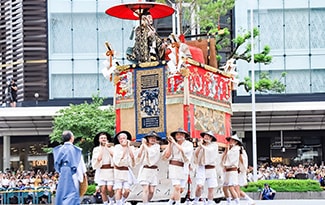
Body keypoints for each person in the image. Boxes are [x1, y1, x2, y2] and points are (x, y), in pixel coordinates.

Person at [53, 130, 87, 205]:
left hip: (62, 173)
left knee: (62, 193)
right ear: (72, 138)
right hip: (73, 173)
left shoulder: (58, 149)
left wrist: (61, 171)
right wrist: (82, 176)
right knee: (73, 193)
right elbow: (79, 164)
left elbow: (56, 165)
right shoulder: (76, 150)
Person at [162, 128, 193, 205]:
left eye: (181, 134)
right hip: (174, 167)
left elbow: (183, 150)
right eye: (177, 134)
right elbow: (167, 155)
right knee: (177, 187)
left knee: (181, 189)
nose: (179, 136)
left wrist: (174, 143)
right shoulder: (172, 144)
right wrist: (169, 143)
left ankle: (170, 202)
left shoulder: (189, 144)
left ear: (185, 136)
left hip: (184, 167)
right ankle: (178, 203)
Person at [192, 131, 219, 205]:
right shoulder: (201, 145)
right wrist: (200, 146)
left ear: (211, 138)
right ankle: (196, 200)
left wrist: (203, 146)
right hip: (201, 168)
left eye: (208, 136)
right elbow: (195, 155)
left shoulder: (214, 145)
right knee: (199, 186)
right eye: (205, 136)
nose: (206, 137)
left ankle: (210, 202)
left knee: (211, 187)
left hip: (211, 168)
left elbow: (210, 151)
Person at [136, 131, 161, 205]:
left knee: (152, 191)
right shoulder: (144, 145)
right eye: (151, 138)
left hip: (153, 170)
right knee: (145, 189)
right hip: (145, 170)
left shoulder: (156, 146)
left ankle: (146, 202)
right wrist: (142, 146)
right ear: (147, 139)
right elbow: (138, 155)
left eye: (154, 138)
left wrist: (144, 145)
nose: (153, 139)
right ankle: (145, 203)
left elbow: (152, 153)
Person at [112, 130, 136, 205]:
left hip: (126, 171)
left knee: (127, 190)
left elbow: (133, 158)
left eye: (124, 138)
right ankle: (118, 203)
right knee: (118, 189)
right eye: (121, 139)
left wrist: (128, 146)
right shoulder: (117, 147)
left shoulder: (131, 147)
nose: (122, 140)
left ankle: (122, 201)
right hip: (118, 171)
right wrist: (125, 148)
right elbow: (119, 160)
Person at [91, 131, 115, 205]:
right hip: (101, 170)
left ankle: (111, 200)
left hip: (110, 170)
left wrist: (107, 147)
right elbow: (98, 159)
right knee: (103, 189)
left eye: (105, 138)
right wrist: (102, 148)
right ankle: (105, 203)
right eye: (102, 138)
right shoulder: (96, 149)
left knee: (110, 188)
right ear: (99, 140)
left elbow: (114, 155)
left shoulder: (112, 147)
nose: (103, 139)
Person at [222, 133, 241, 205]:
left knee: (231, 187)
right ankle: (229, 201)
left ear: (236, 142)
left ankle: (237, 202)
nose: (231, 141)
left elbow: (232, 160)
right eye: (230, 140)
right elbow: (225, 158)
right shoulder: (230, 149)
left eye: (233, 140)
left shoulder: (236, 149)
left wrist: (225, 164)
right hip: (228, 170)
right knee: (225, 187)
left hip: (232, 169)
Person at [235, 140, 255, 205]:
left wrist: (241, 168)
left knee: (236, 186)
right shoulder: (241, 150)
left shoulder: (240, 150)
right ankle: (248, 199)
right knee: (235, 187)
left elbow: (241, 160)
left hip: (239, 170)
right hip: (240, 170)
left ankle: (238, 202)